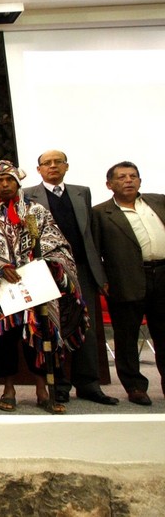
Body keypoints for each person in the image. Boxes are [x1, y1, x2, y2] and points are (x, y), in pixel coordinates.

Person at [0, 160, 85, 414]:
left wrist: (47, 263)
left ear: (18, 183)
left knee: (40, 334)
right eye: (0, 181)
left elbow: (56, 242)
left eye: (9, 180)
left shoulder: (37, 212)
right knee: (4, 338)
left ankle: (43, 389)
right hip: (2, 289)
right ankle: (8, 389)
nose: (5, 184)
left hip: (36, 286)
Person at [24, 150, 118, 405]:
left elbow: (90, 235)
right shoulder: (27, 195)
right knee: (55, 325)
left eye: (58, 162)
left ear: (66, 166)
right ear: (39, 169)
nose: (53, 166)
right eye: (47, 163)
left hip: (82, 269)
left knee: (85, 326)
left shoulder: (82, 192)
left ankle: (89, 384)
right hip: (49, 271)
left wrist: (100, 272)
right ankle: (61, 384)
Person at [93, 161, 165, 405]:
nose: (129, 180)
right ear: (109, 184)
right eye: (122, 177)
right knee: (126, 337)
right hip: (124, 280)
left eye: (133, 176)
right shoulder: (100, 213)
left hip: (163, 276)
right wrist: (102, 280)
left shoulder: (159, 202)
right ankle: (135, 387)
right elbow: (94, 250)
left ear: (140, 181)